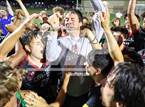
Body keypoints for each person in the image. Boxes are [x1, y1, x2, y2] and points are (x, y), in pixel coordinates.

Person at [46, 9, 102, 107]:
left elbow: (101, 56)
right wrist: (53, 30)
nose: (68, 21)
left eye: (72, 19)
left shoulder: (89, 40)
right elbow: (51, 58)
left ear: (80, 23)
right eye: (66, 19)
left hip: (87, 92)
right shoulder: (60, 41)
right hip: (66, 92)